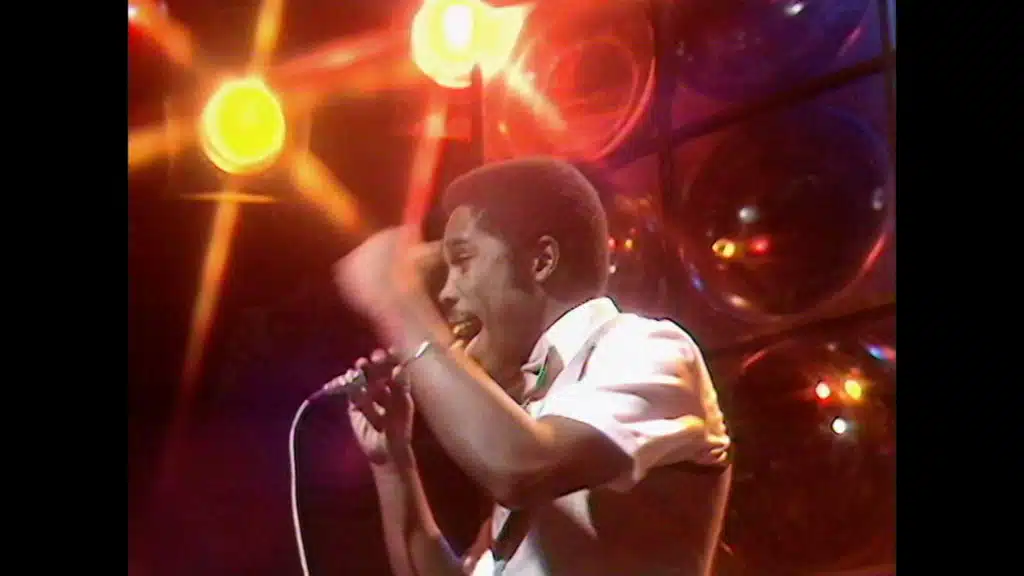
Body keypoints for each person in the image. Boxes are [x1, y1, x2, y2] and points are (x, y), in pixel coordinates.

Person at [334, 157, 732, 576]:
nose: (447, 292)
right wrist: (393, 460)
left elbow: (519, 468)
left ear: (541, 261)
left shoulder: (645, 346)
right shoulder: (539, 408)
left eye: (463, 260)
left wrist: (397, 300)